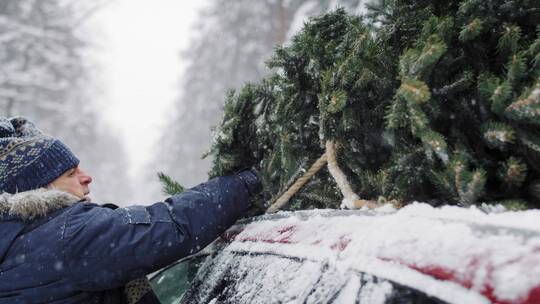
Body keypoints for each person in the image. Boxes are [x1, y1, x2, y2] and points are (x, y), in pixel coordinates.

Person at [0, 117, 261, 303]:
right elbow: (171, 225)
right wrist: (245, 183)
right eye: (70, 173)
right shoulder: (65, 237)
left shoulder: (17, 240)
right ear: (39, 188)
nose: (87, 177)